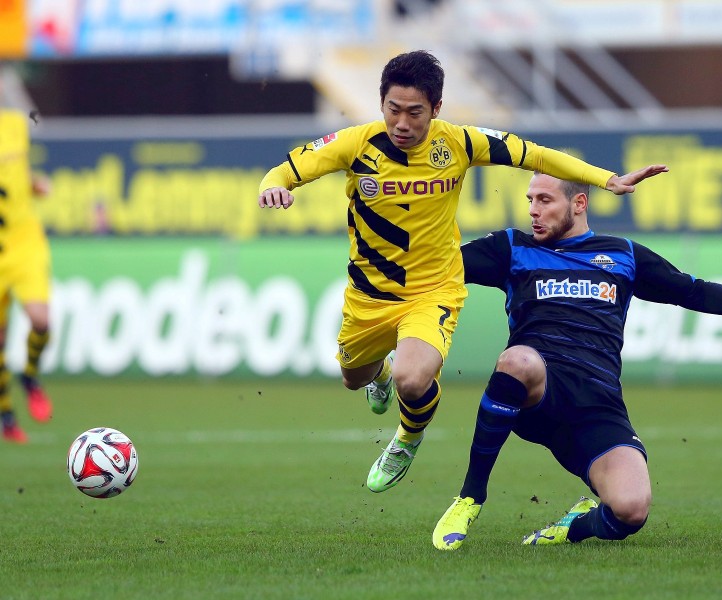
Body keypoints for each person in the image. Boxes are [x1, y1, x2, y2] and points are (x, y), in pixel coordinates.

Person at [258, 50, 667, 493]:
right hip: (369, 296)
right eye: (392, 110)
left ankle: (407, 438)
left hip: (433, 289)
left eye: (415, 112)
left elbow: (537, 157)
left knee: (412, 378)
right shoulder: (355, 144)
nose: (401, 123)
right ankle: (375, 376)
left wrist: (606, 180)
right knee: (352, 377)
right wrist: (274, 188)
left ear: (435, 109)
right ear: (381, 105)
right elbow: (284, 171)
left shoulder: (459, 142)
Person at [432, 172, 722, 549]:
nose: (533, 211)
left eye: (545, 200)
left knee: (631, 509)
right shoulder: (511, 248)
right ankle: (471, 497)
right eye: (530, 200)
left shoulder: (623, 253)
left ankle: (572, 527)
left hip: (598, 404)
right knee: (518, 361)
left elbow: (692, 291)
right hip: (538, 391)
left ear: (579, 204)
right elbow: (436, 265)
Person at [0, 75, 54, 443]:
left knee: (40, 319)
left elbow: (17, 172)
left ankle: (30, 375)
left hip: (24, 241)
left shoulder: (15, 125)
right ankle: (7, 416)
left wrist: (34, 183)